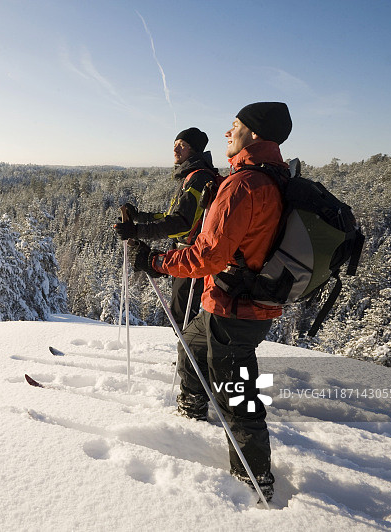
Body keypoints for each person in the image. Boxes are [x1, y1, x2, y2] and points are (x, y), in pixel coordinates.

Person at [128, 102, 293, 502]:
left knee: (237, 398)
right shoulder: (272, 176)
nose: (227, 133)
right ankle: (191, 412)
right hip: (234, 304)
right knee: (191, 344)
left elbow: (208, 255)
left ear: (254, 133)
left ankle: (255, 482)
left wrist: (157, 262)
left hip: (236, 310)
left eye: (235, 125)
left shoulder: (244, 185)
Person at [113, 127, 219, 327]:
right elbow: (171, 217)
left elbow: (182, 224)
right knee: (181, 315)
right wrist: (140, 217)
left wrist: (137, 231)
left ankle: (189, 349)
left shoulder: (198, 178)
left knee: (182, 318)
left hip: (191, 256)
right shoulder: (192, 176)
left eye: (182, 145)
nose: (175, 149)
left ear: (194, 150)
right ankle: (187, 348)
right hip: (186, 254)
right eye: (175, 144)